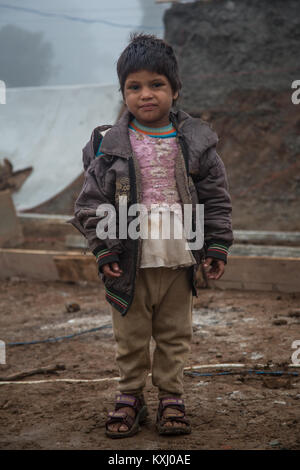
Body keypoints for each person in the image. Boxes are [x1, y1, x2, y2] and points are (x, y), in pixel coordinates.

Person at [69, 33, 233, 438]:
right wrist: (103, 249)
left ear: (175, 91)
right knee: (131, 335)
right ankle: (130, 395)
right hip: (128, 260)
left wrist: (216, 245)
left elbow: (216, 199)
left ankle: (171, 397)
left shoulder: (196, 142)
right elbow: (90, 203)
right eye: (135, 86)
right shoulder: (109, 146)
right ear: (123, 92)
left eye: (157, 85)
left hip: (179, 258)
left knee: (176, 333)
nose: (146, 94)